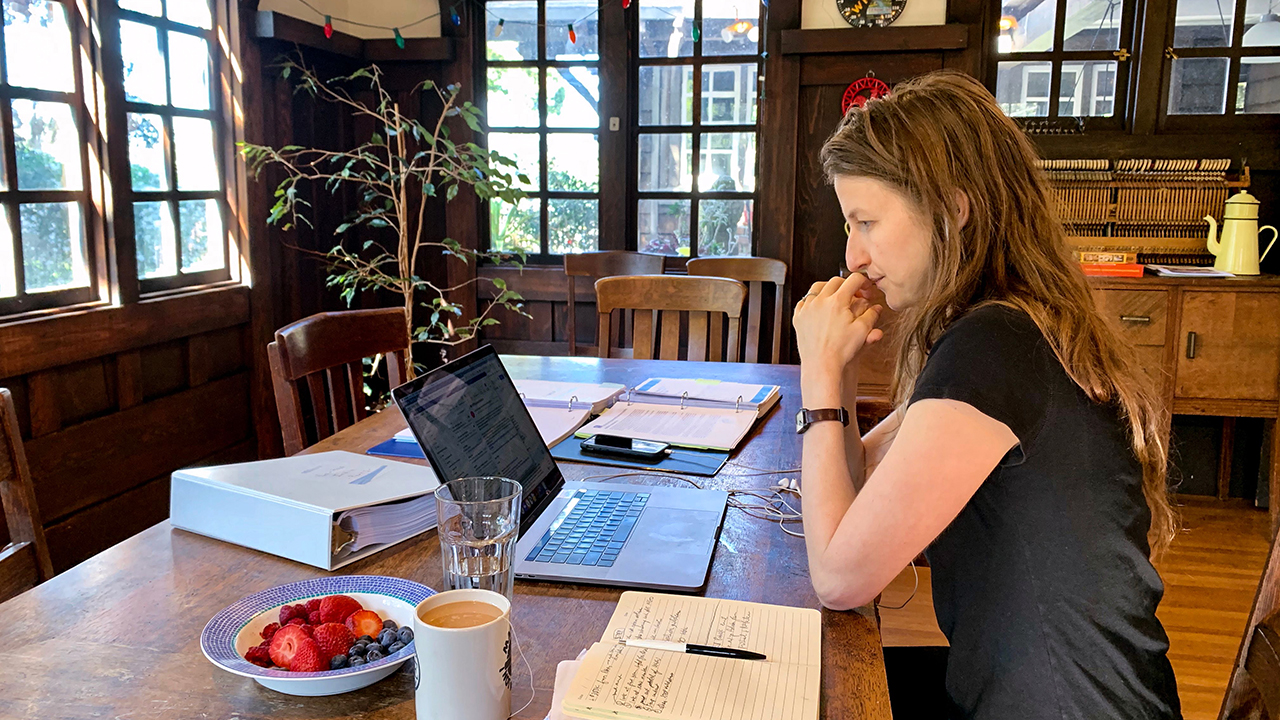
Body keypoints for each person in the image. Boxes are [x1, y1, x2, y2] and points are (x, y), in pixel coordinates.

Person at [791, 71, 1181, 719]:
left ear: (952, 209)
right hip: (1030, 692)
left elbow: (839, 579)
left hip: (1063, 707)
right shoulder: (1013, 325)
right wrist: (831, 377)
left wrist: (821, 377)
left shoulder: (995, 347)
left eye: (866, 222)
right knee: (805, 679)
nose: (853, 255)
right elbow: (857, 491)